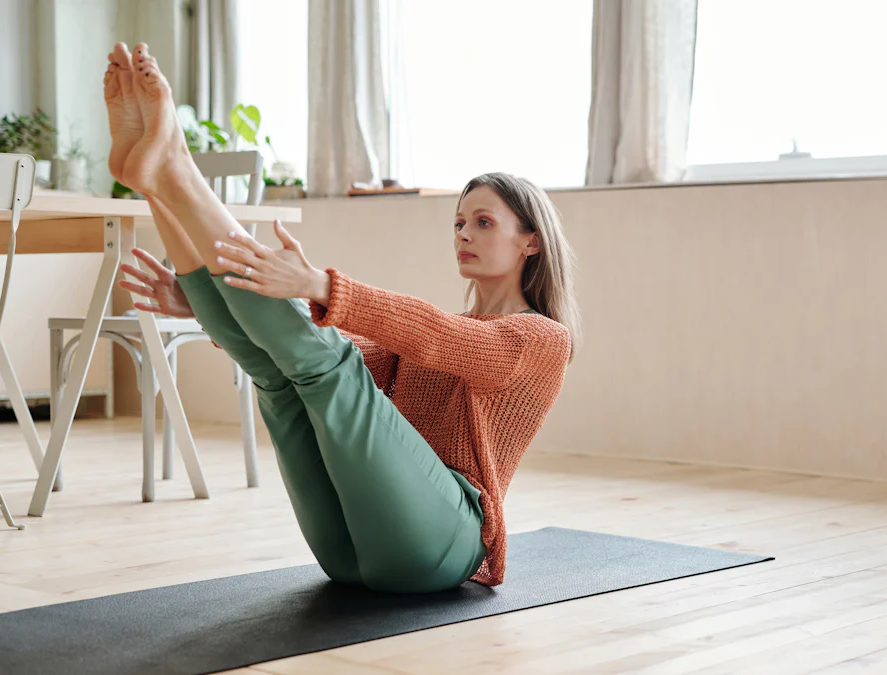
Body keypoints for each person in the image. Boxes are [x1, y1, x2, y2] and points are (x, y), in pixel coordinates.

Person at [104, 42, 579, 592]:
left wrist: (322, 286)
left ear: (531, 242)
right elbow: (318, 345)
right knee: (280, 374)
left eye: (483, 222)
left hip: (445, 543)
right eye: (458, 223)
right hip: (352, 550)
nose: (464, 234)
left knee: (326, 366)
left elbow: (439, 337)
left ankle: (178, 171)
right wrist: (204, 304)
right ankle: (156, 185)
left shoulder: (542, 338)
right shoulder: (442, 340)